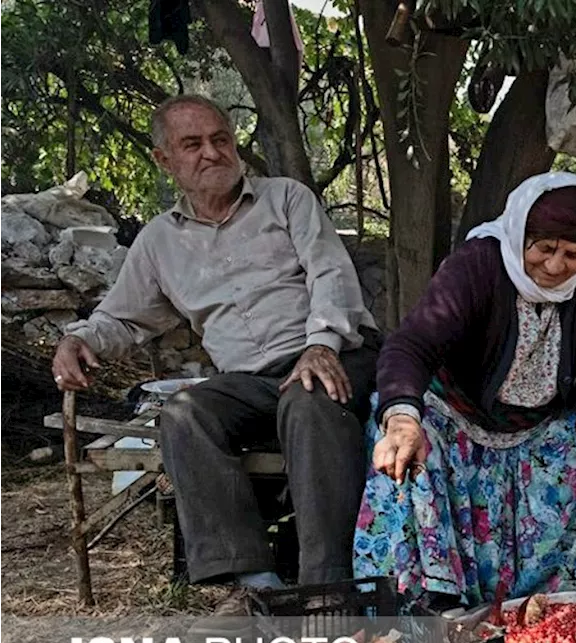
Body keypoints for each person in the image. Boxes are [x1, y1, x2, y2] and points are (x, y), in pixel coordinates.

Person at [50, 94, 380, 614]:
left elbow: (329, 272)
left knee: (309, 398)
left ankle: (326, 590)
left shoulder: (286, 199)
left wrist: (320, 344)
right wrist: (79, 339)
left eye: (220, 139)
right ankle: (259, 583)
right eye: (192, 144)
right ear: (164, 160)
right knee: (184, 414)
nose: (212, 152)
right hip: (249, 380)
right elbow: (124, 316)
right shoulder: (159, 241)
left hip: (334, 353)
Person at [353, 171, 576, 609]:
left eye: (573, 255)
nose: (555, 266)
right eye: (544, 249)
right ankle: (429, 604)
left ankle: (573, 603)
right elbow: (411, 346)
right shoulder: (477, 266)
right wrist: (402, 418)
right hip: (457, 420)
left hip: (539, 427)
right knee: (408, 452)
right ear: (519, 234)